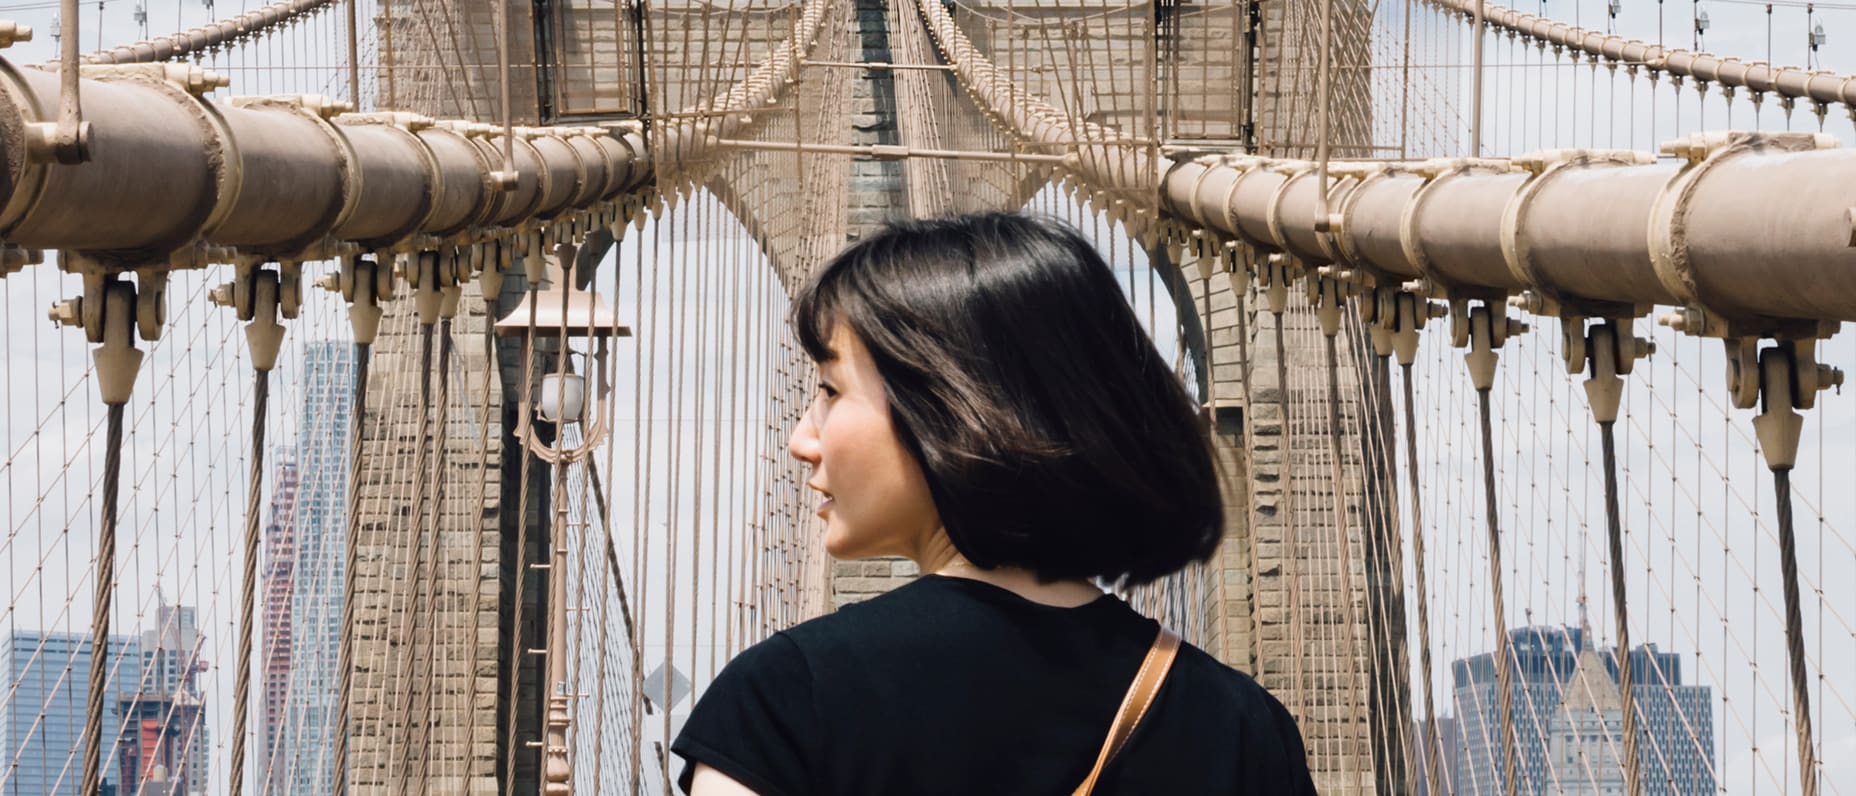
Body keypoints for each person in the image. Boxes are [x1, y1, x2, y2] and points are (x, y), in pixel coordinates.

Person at [672, 213, 1316, 795]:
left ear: (949, 407)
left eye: (830, 390)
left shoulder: (787, 700)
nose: (801, 440)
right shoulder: (1243, 729)